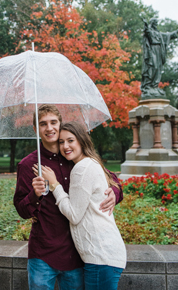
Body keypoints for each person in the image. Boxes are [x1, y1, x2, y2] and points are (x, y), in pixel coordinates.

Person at [13, 104, 122, 290]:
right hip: (43, 252)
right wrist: (34, 194)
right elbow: (21, 209)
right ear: (35, 129)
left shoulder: (73, 154)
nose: (49, 128)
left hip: (76, 254)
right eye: (43, 124)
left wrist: (116, 193)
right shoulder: (28, 165)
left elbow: (110, 178)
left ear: (60, 124)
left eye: (53, 122)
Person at [38, 121, 127, 290]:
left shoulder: (82, 168)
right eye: (61, 142)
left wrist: (55, 185)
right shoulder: (91, 163)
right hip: (103, 256)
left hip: (101, 257)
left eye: (70, 140)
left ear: (81, 140)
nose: (65, 146)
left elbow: (74, 215)